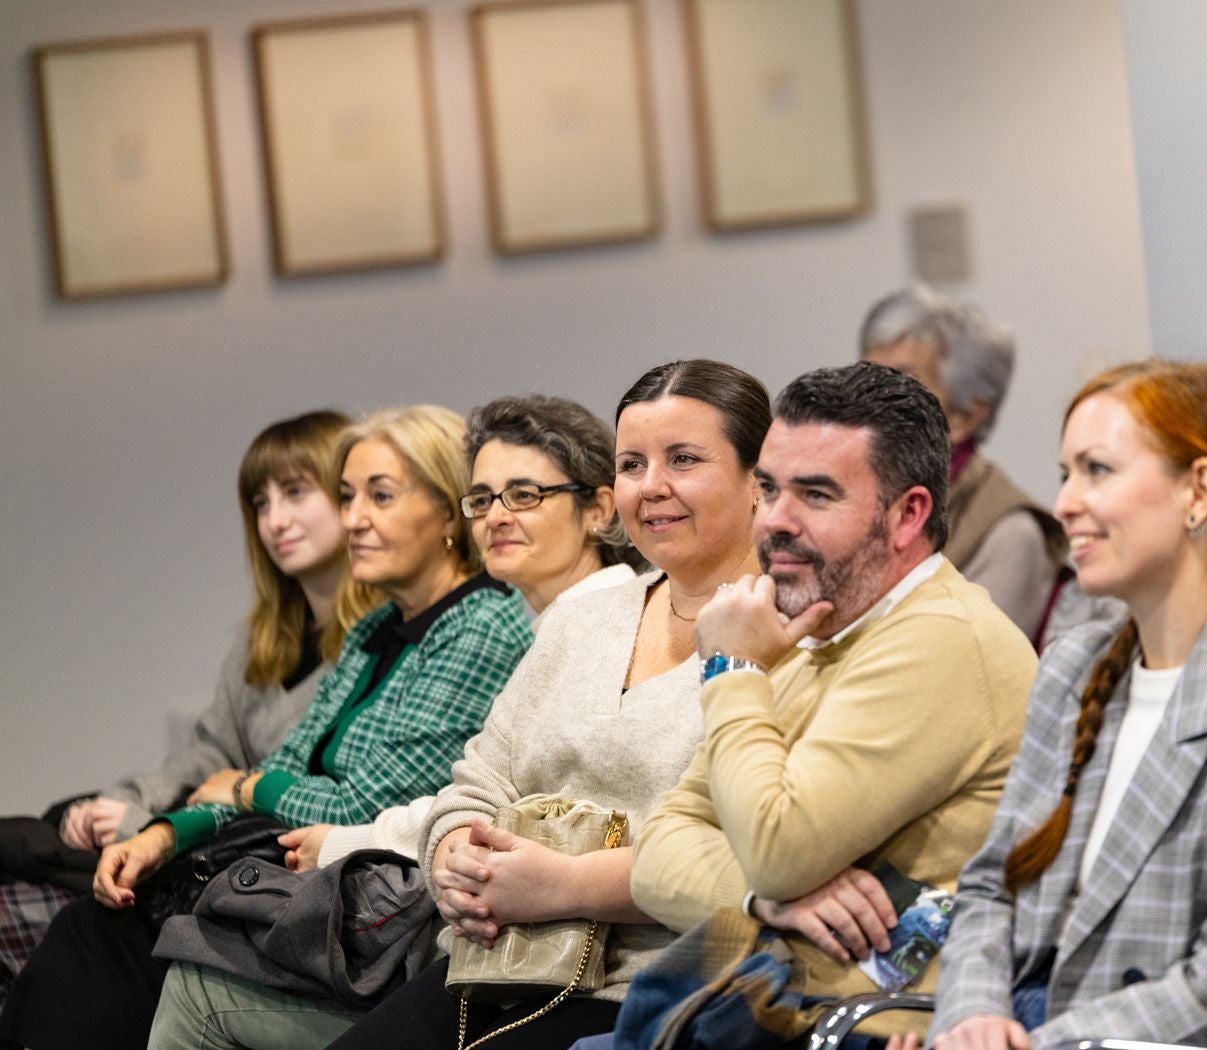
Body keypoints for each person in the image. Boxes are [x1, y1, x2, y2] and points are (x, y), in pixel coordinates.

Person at [0, 405, 534, 1050]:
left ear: (449, 512)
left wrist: (248, 791)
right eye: (347, 496)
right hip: (293, 873)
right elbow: (285, 763)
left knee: (110, 936)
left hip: (368, 903)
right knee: (98, 915)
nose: (354, 517)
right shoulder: (373, 629)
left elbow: (360, 803)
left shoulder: (483, 625)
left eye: (379, 497)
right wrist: (166, 834)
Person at [141, 391, 662, 1048]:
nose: (496, 516)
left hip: (565, 954)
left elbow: (540, 812)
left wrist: (332, 831)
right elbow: (472, 790)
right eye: (483, 499)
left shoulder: (578, 623)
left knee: (187, 971)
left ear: (597, 509)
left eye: (523, 495)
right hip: (491, 928)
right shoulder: (531, 624)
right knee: (162, 944)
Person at [303, 361, 771, 1050]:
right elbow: (480, 777)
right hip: (496, 960)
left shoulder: (791, 633)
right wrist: (456, 855)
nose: (653, 487)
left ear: (759, 481)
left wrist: (565, 885)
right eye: (633, 464)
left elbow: (750, 849)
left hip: (663, 982)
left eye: (684, 459)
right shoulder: (587, 620)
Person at [900, 361, 1207, 1050]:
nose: (1064, 503)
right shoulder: (1073, 665)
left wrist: (1023, 1043)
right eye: (1064, 473)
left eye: (1097, 471)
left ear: (1197, 491)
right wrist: (970, 1018)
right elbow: (990, 889)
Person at [599, 361, 1038, 1047]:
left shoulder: (939, 640)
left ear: (907, 515)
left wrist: (733, 667)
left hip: (866, 1024)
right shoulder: (814, 627)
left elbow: (776, 848)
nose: (774, 521)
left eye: (815, 495)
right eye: (769, 489)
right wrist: (763, 899)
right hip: (769, 1004)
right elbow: (659, 849)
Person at [0, 410, 368, 1042]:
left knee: (69, 914)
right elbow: (207, 757)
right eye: (260, 502)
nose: (276, 520)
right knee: (43, 834)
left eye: (296, 492)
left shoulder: (376, 644)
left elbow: (272, 791)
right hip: (198, 838)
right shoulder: (261, 645)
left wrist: (152, 827)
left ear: (349, 500)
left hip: (263, 866)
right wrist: (127, 805)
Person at [861, 285, 1068, 642]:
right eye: (865, 377)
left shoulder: (1011, 533)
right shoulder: (857, 500)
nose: (868, 401)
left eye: (902, 382)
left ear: (966, 416)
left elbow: (964, 669)